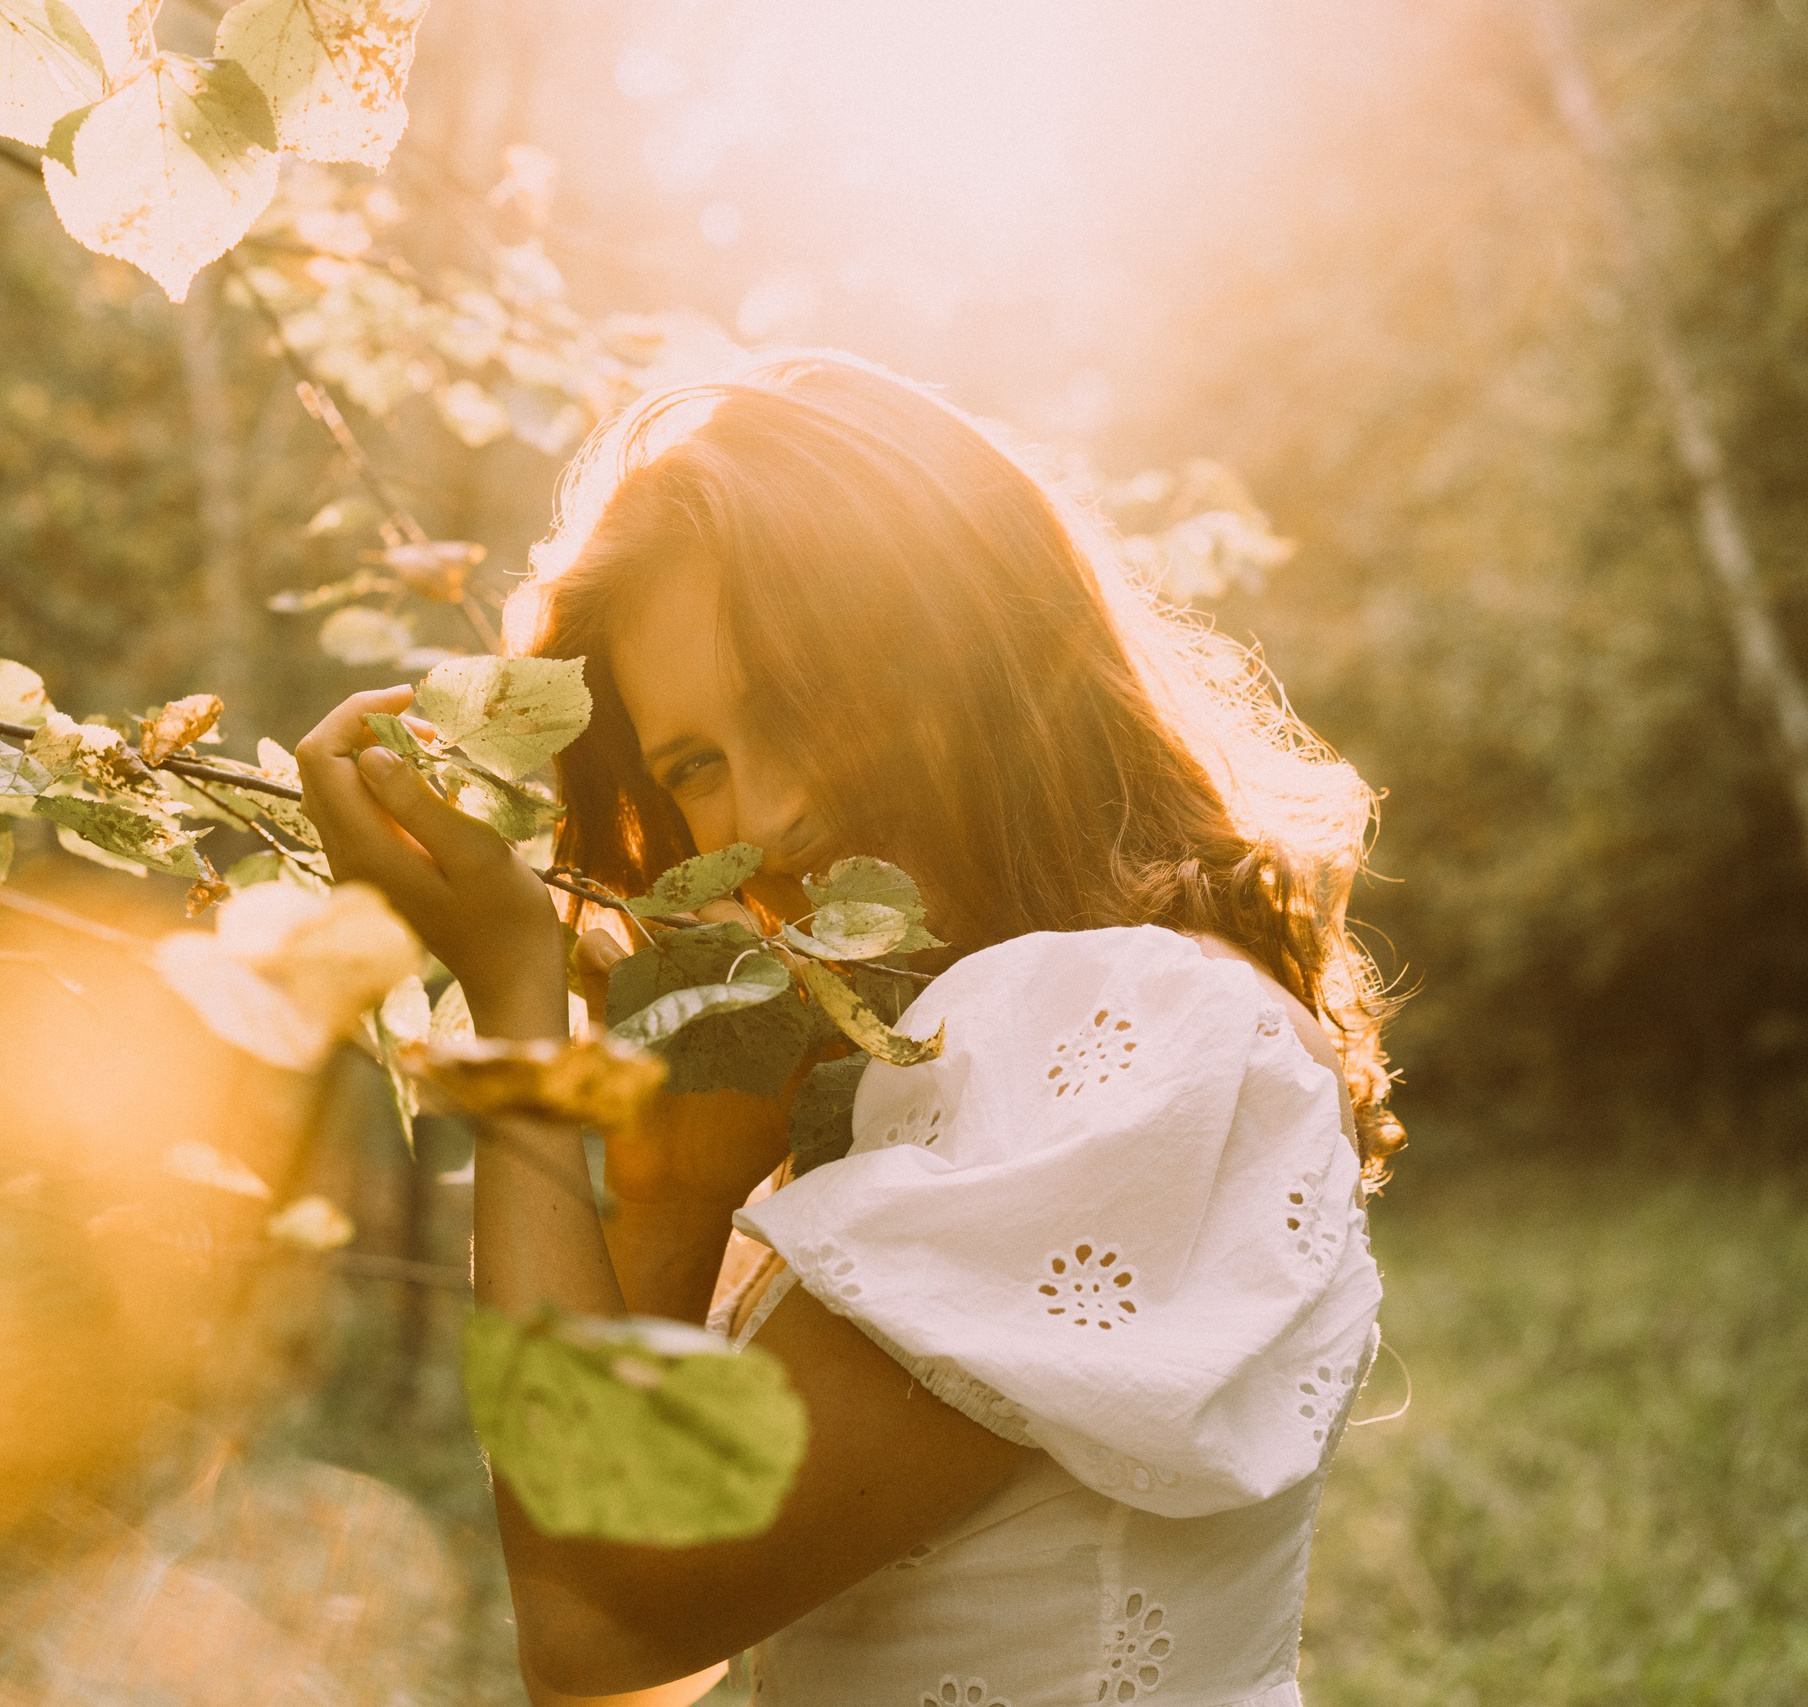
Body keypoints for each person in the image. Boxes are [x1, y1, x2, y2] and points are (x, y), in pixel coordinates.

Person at [295, 351, 1402, 1707]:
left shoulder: (1124, 1022)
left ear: (979, 642)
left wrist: (518, 1018)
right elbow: (621, 1678)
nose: (770, 810)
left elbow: (601, 1631)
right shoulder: (944, 1063)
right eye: (694, 764)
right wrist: (671, 1190)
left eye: (810, 692)